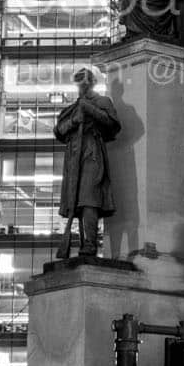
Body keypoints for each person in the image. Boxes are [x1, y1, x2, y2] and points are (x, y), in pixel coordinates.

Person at [54, 66, 121, 260]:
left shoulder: (102, 101)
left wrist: (89, 109)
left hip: (91, 152)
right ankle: (82, 243)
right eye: (78, 81)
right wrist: (75, 120)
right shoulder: (72, 108)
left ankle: (90, 244)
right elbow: (59, 130)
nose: (81, 85)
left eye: (84, 81)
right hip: (74, 156)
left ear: (92, 82)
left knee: (89, 198)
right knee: (76, 201)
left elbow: (112, 124)